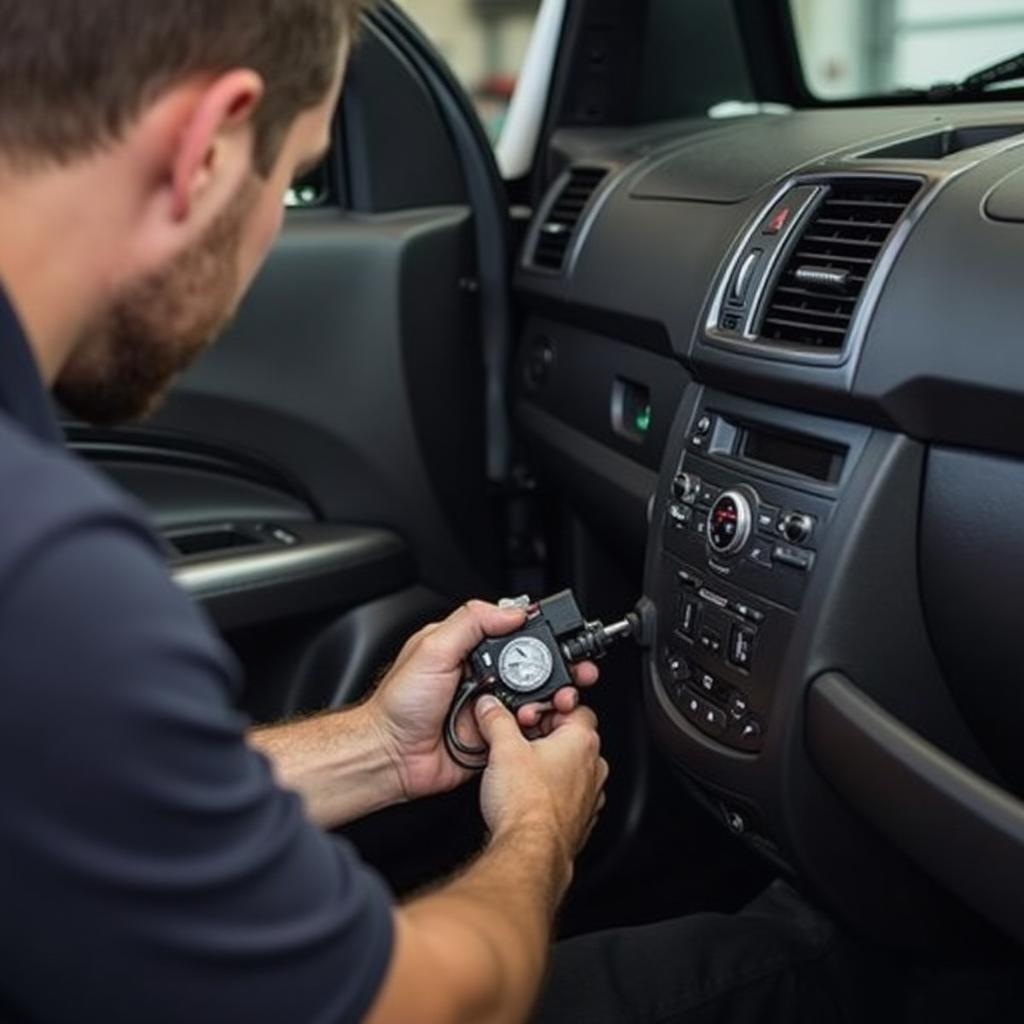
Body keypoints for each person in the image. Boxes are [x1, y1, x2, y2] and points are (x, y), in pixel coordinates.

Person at [2, 3, 1015, 1023]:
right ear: (211, 145)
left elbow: (72, 798)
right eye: (295, 178)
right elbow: (427, 1007)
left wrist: (377, 749)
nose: (268, 236)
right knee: (828, 984)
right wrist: (537, 829)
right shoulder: (49, 569)